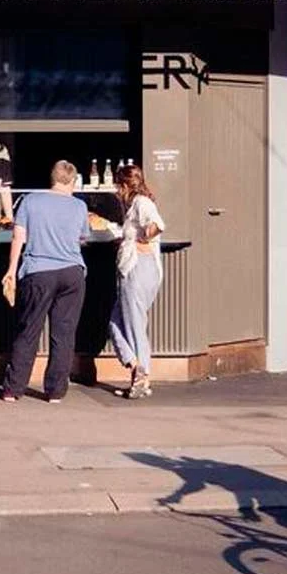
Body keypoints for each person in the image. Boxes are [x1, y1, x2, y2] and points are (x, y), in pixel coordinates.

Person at [1, 160, 91, 403]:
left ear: (52, 178)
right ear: (72, 181)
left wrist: (11, 269)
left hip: (38, 271)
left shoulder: (30, 201)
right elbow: (83, 238)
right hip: (72, 273)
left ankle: (13, 388)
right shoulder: (79, 206)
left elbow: (18, 237)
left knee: (28, 330)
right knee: (64, 334)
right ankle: (55, 391)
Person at [107, 165, 166, 400]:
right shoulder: (134, 205)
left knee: (133, 323)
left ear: (124, 185)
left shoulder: (142, 203)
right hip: (137, 268)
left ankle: (141, 375)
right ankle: (135, 367)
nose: (116, 191)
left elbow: (157, 224)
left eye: (117, 186)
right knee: (115, 322)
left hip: (138, 269)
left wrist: (143, 238)